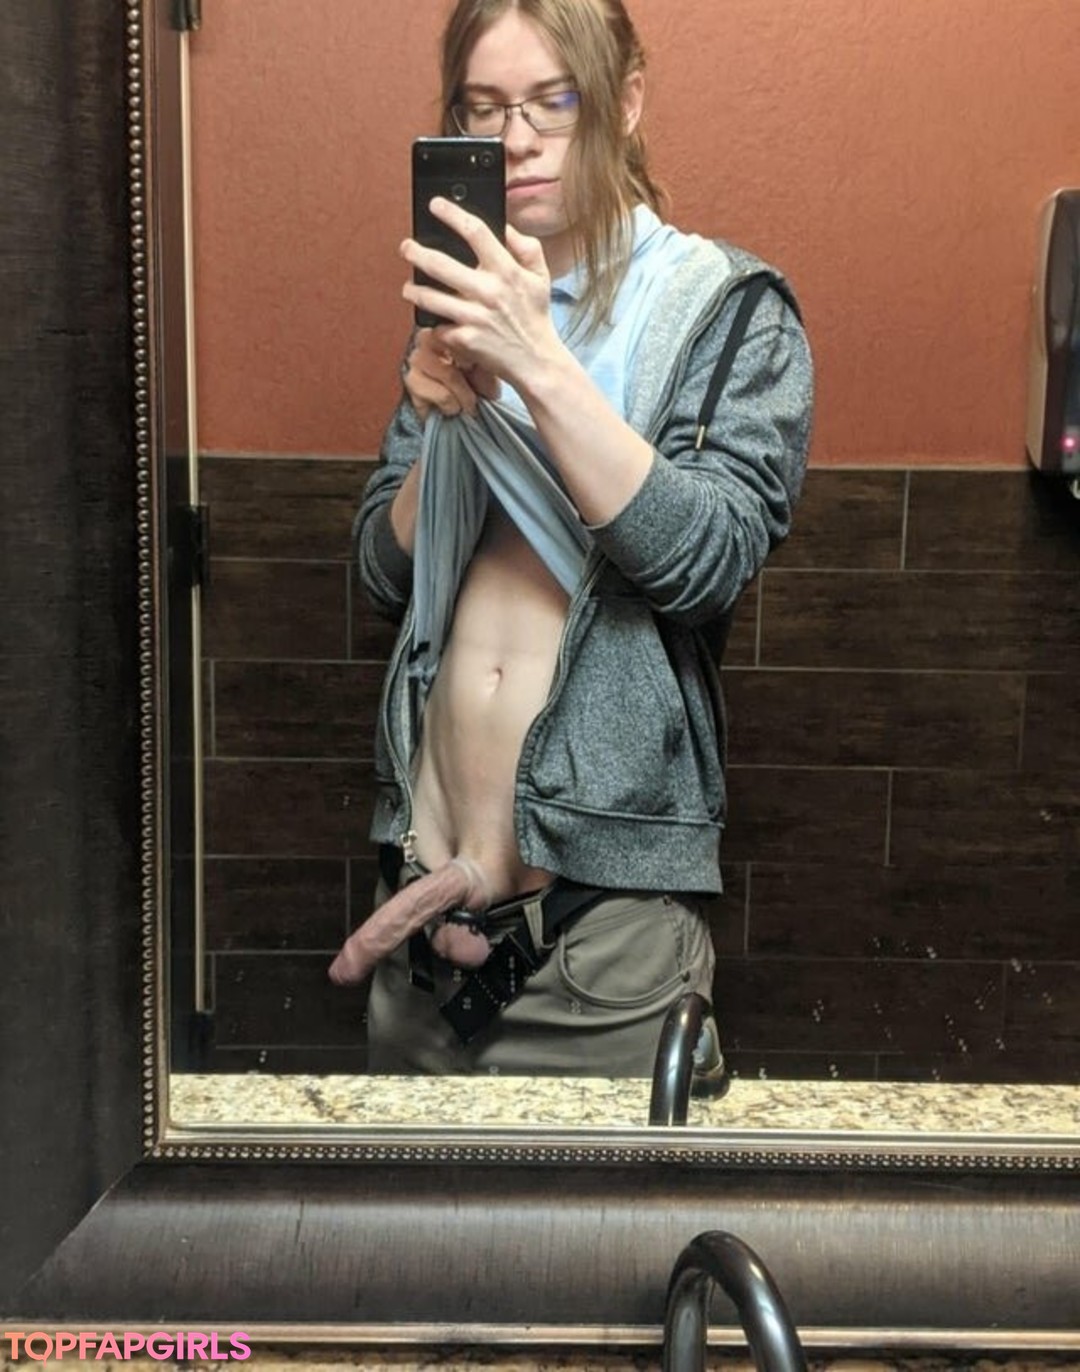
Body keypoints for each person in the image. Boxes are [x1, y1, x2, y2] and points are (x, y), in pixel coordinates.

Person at [329, 0, 813, 1077]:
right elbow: (381, 573)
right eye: (483, 108)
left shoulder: (728, 310)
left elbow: (709, 560)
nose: (516, 140)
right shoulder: (458, 306)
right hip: (421, 927)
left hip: (599, 949)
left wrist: (536, 364)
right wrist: (444, 426)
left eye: (554, 101)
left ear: (626, 101)